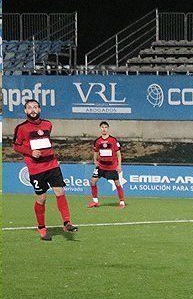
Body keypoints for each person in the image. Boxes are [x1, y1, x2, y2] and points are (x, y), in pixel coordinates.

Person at [12, 99, 78, 241]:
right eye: (29, 107)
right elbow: (16, 146)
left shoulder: (48, 124)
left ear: (40, 109)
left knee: (60, 191)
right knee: (41, 199)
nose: (33, 110)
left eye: (35, 107)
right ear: (25, 111)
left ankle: (67, 222)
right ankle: (41, 227)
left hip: (52, 165)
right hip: (36, 169)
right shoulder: (21, 128)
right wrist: (30, 152)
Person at [88, 121, 126, 209]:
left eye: (105, 127)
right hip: (101, 166)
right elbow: (96, 152)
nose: (104, 129)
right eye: (102, 127)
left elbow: (118, 154)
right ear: (100, 129)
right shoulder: (97, 141)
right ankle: (95, 201)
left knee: (117, 183)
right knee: (93, 181)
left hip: (111, 166)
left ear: (108, 129)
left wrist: (119, 165)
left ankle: (122, 202)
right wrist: (95, 160)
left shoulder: (113, 140)